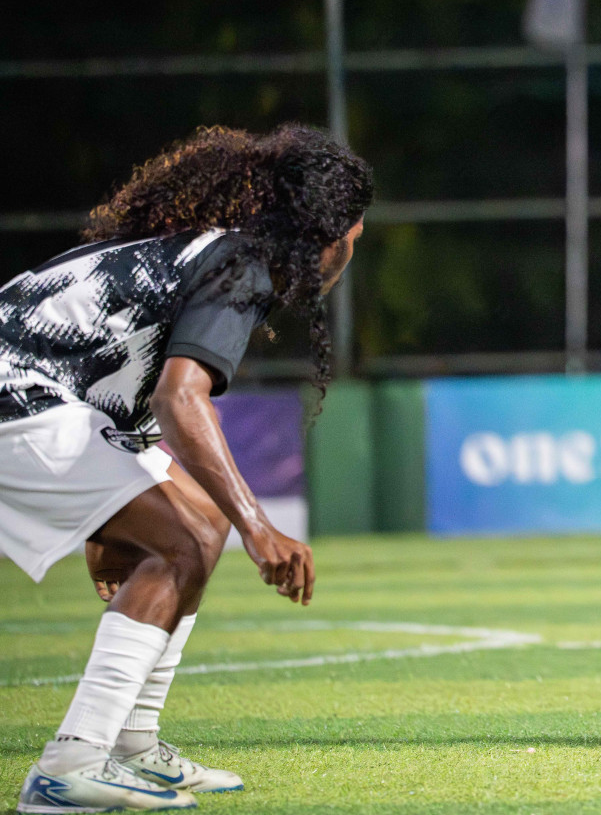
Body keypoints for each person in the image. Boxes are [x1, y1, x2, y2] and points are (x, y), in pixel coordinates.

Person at [3, 124, 373, 811]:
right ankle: (71, 767)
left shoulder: (198, 250)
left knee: (193, 524)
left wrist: (113, 511)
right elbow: (180, 395)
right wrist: (259, 525)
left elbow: (116, 366)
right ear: (338, 233)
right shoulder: (241, 265)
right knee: (195, 534)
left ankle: (131, 745)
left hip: (35, 394)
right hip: (14, 397)